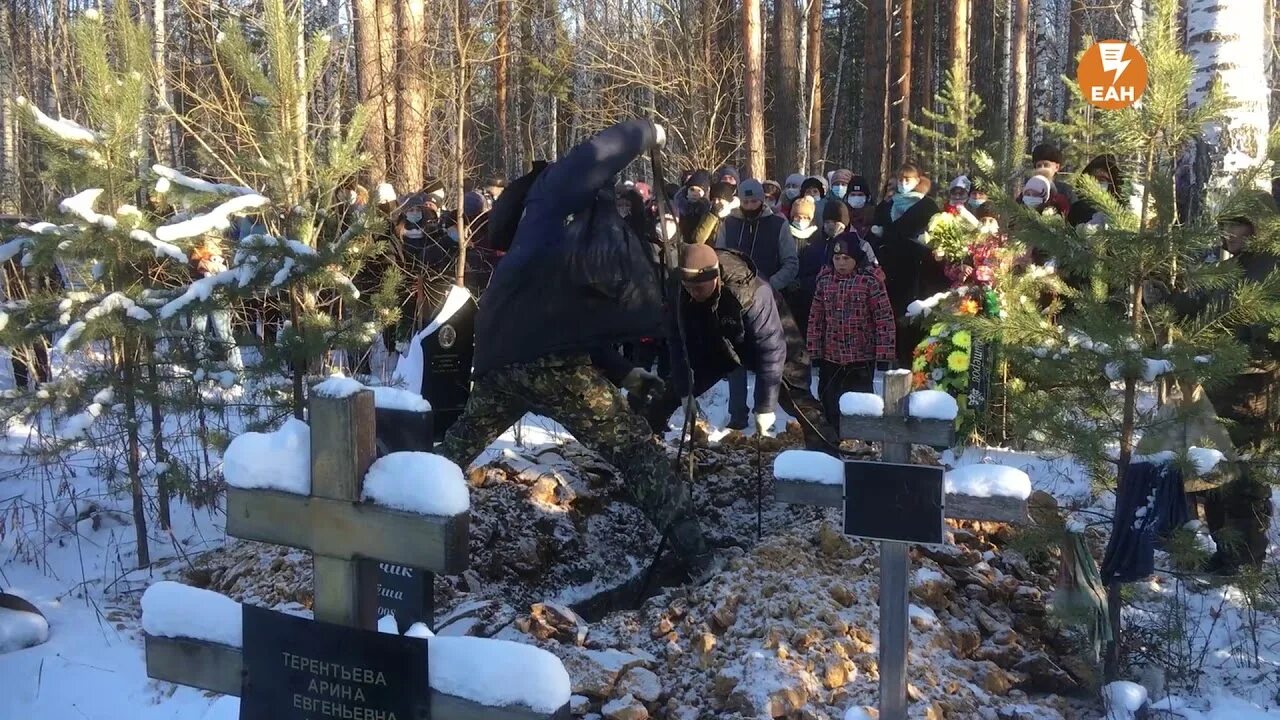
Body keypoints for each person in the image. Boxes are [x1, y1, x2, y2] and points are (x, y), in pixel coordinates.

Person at [438, 119, 717, 579]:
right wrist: (649, 132)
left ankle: (397, 516)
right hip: (547, 363)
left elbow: (572, 320)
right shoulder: (558, 190)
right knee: (634, 450)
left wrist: (625, 372)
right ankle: (698, 556)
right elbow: (598, 151)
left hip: (504, 357)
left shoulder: (554, 227)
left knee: (459, 445)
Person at [635, 244, 838, 450]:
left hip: (775, 342)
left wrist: (765, 407)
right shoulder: (679, 292)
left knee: (798, 399)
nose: (694, 293)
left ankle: (827, 452)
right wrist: (684, 391)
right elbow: (678, 344)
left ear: (715, 277)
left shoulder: (752, 292)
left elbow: (771, 350)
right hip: (717, 341)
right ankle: (644, 442)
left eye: (699, 287)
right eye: (689, 287)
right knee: (669, 393)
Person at [1196, 206, 1278, 570]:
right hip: (1220, 384)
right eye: (1224, 226)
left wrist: (1255, 356)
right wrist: (1164, 298)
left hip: (1254, 390)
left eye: (1236, 226)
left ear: (1257, 228)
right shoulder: (1231, 267)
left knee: (1246, 474)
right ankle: (1224, 549)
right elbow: (1203, 307)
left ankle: (1245, 559)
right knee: (1218, 470)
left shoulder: (1271, 268)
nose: (1227, 234)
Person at [715, 178, 799, 429]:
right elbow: (718, 258)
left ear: (763, 200)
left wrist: (770, 286)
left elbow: (791, 262)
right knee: (734, 357)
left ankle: (765, 411)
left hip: (768, 300)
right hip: (733, 300)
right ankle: (737, 413)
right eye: (746, 200)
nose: (750, 205)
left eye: (755, 200)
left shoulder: (778, 225)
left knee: (767, 356)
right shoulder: (728, 224)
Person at [807, 237, 896, 425]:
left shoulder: (869, 282)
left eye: (846, 258)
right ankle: (833, 438)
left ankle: (863, 440)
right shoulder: (824, 282)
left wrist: (884, 354)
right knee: (830, 400)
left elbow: (884, 318)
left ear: (855, 259)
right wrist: (814, 351)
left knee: (861, 402)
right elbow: (816, 318)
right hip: (831, 356)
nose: (841, 263)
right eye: (837, 258)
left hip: (860, 356)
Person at [875, 163, 946, 366]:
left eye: (909, 179)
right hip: (892, 271)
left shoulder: (927, 205)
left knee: (914, 319)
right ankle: (897, 360)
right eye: (901, 179)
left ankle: (917, 362)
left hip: (919, 271)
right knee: (895, 318)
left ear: (918, 181)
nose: (904, 183)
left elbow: (937, 234)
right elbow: (880, 231)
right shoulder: (888, 205)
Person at [1067, 154, 1125, 227]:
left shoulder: (1121, 211)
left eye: (1101, 180)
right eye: (1092, 179)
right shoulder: (1077, 209)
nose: (1096, 183)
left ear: (1113, 183)